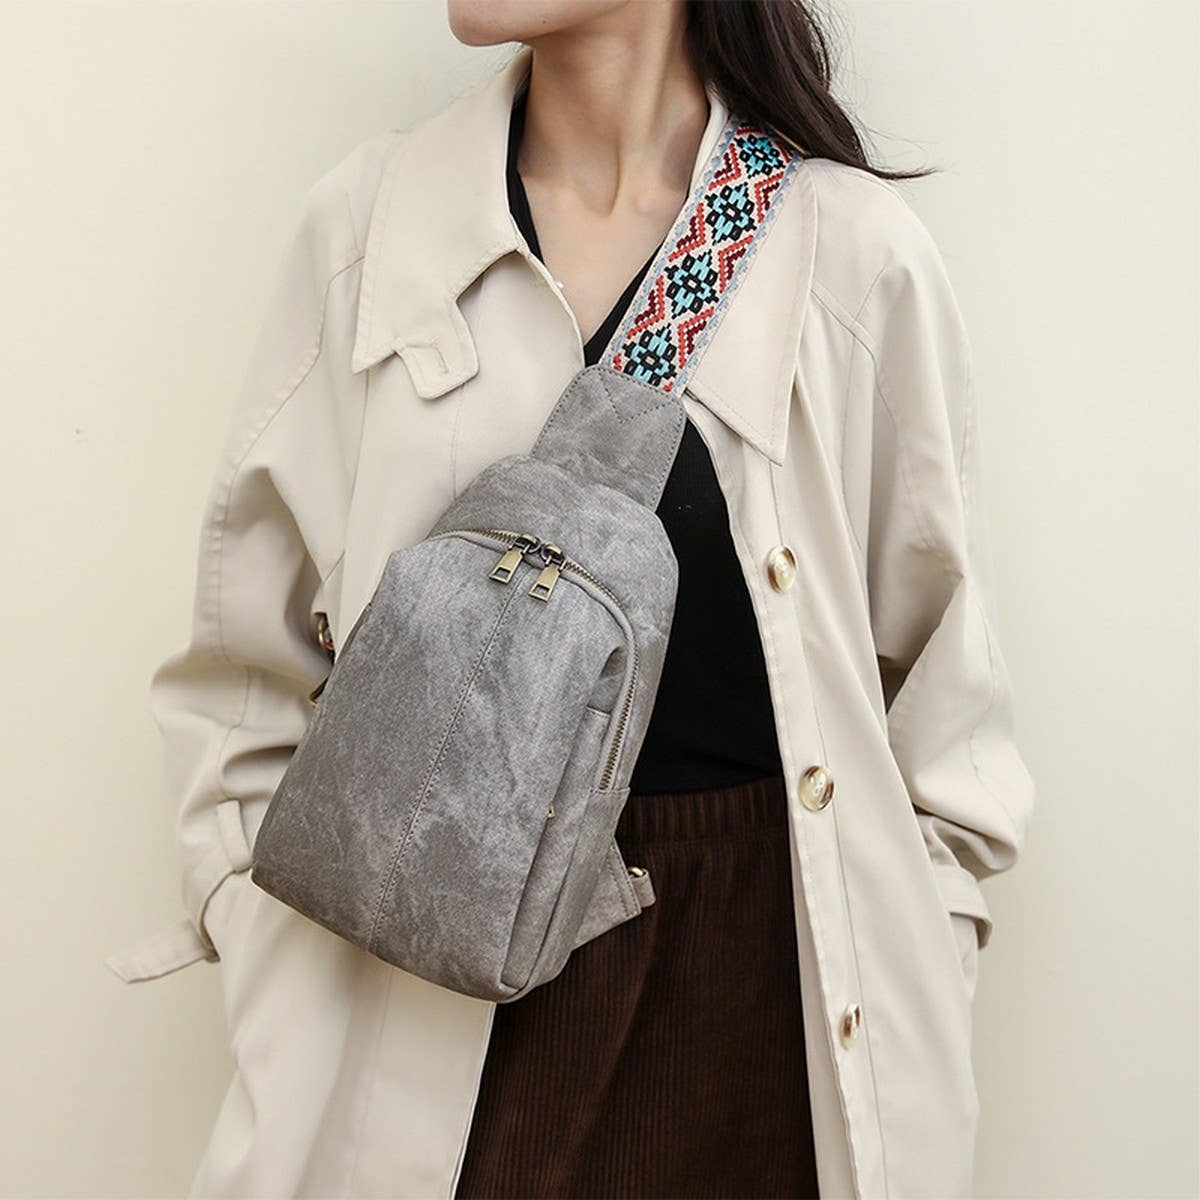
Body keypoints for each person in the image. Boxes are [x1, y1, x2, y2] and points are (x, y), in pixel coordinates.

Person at [105, 3, 1037, 1197]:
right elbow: (247, 685)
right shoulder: (372, 232)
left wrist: (917, 978)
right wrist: (270, 956)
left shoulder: (853, 260)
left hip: (775, 1035)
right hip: (429, 1031)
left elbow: (947, 734)